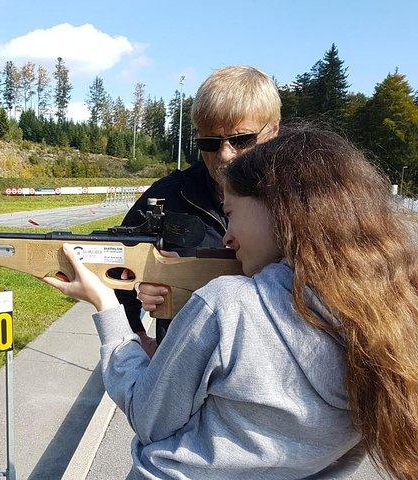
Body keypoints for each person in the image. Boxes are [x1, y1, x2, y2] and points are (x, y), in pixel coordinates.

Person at [43, 125, 418, 479]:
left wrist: (105, 306)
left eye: (231, 214)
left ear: (278, 209)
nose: (227, 237)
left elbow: (148, 416)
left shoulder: (227, 306)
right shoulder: (388, 316)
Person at [117, 66, 281, 357]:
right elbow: (115, 263)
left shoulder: (305, 199)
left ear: (273, 130)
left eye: (241, 139)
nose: (225, 155)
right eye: (209, 143)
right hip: (183, 372)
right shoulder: (168, 193)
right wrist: (137, 334)